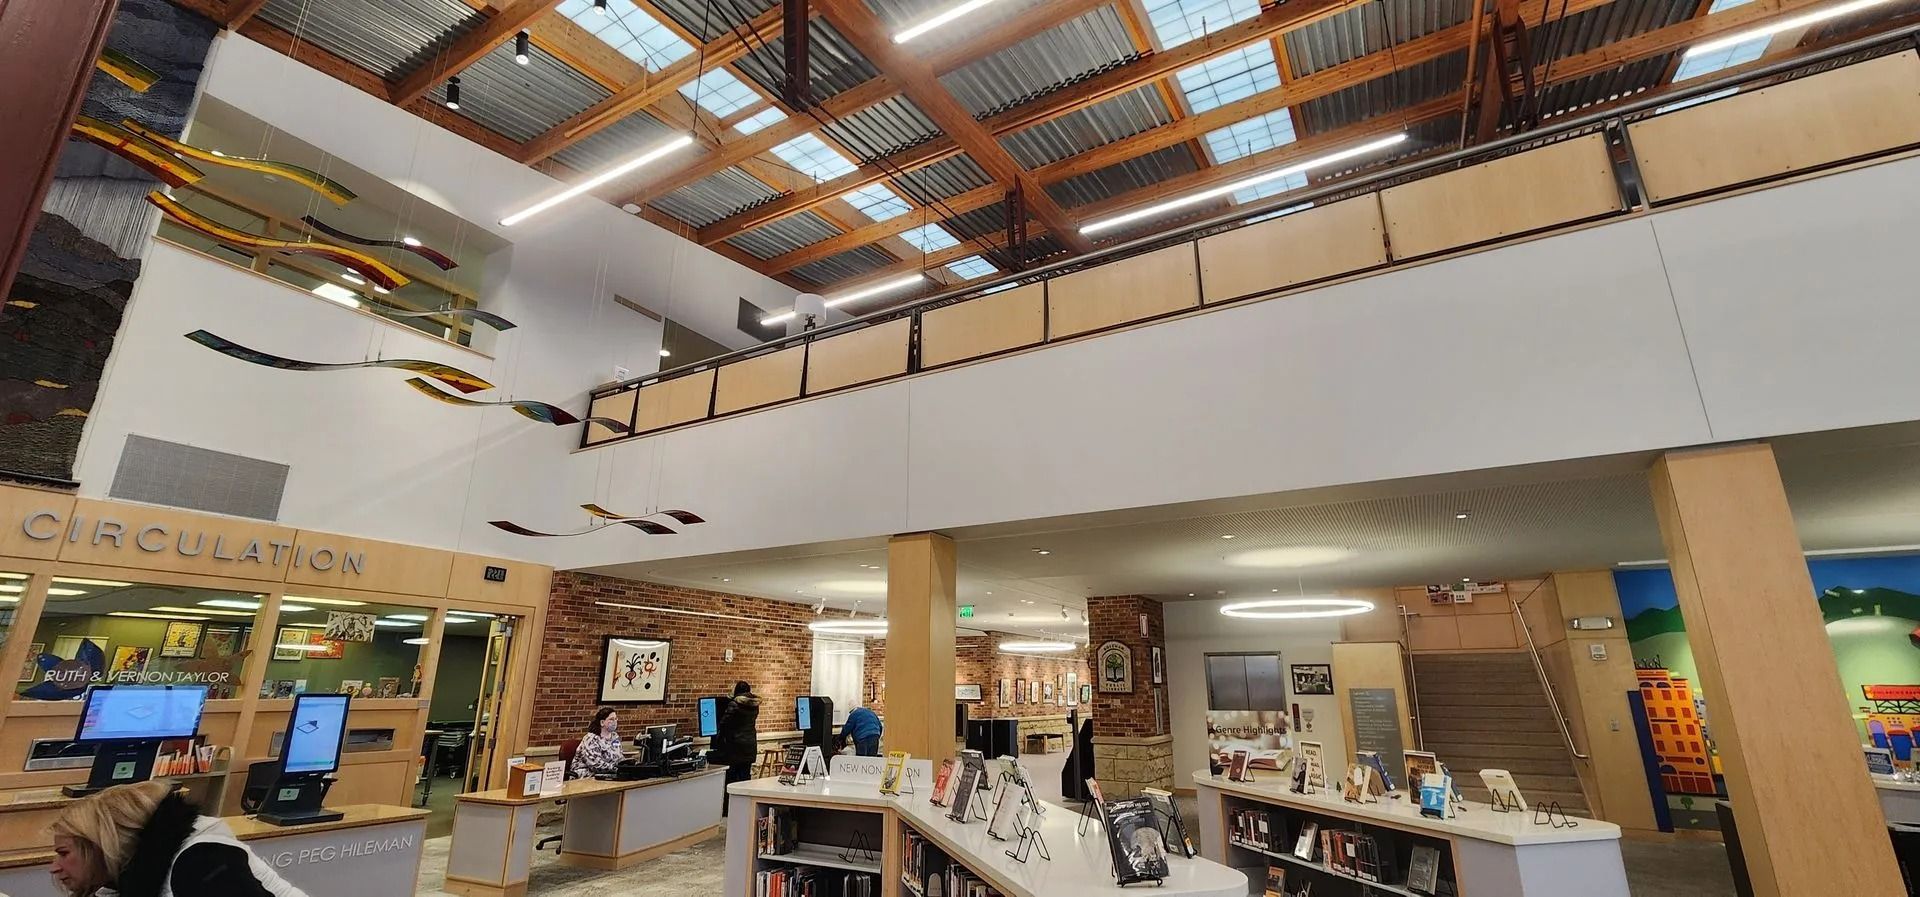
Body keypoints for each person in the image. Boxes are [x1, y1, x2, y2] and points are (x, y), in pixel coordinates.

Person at [49, 780, 306, 896]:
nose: (54, 867)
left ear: (101, 845)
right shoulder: (119, 879)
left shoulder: (201, 863)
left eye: (64, 853)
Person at [712, 681, 761, 813]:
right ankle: (744, 807)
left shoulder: (734, 704)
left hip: (735, 746)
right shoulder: (754, 705)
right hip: (750, 745)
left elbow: (724, 722)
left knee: (731, 778)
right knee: (745, 777)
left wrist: (719, 739)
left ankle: (728, 808)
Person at [569, 707, 625, 780]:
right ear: (602, 722)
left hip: (609, 774)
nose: (615, 722)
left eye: (616, 719)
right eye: (611, 719)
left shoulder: (615, 737)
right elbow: (595, 765)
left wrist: (627, 766)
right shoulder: (590, 739)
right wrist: (617, 769)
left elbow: (619, 757)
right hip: (587, 775)